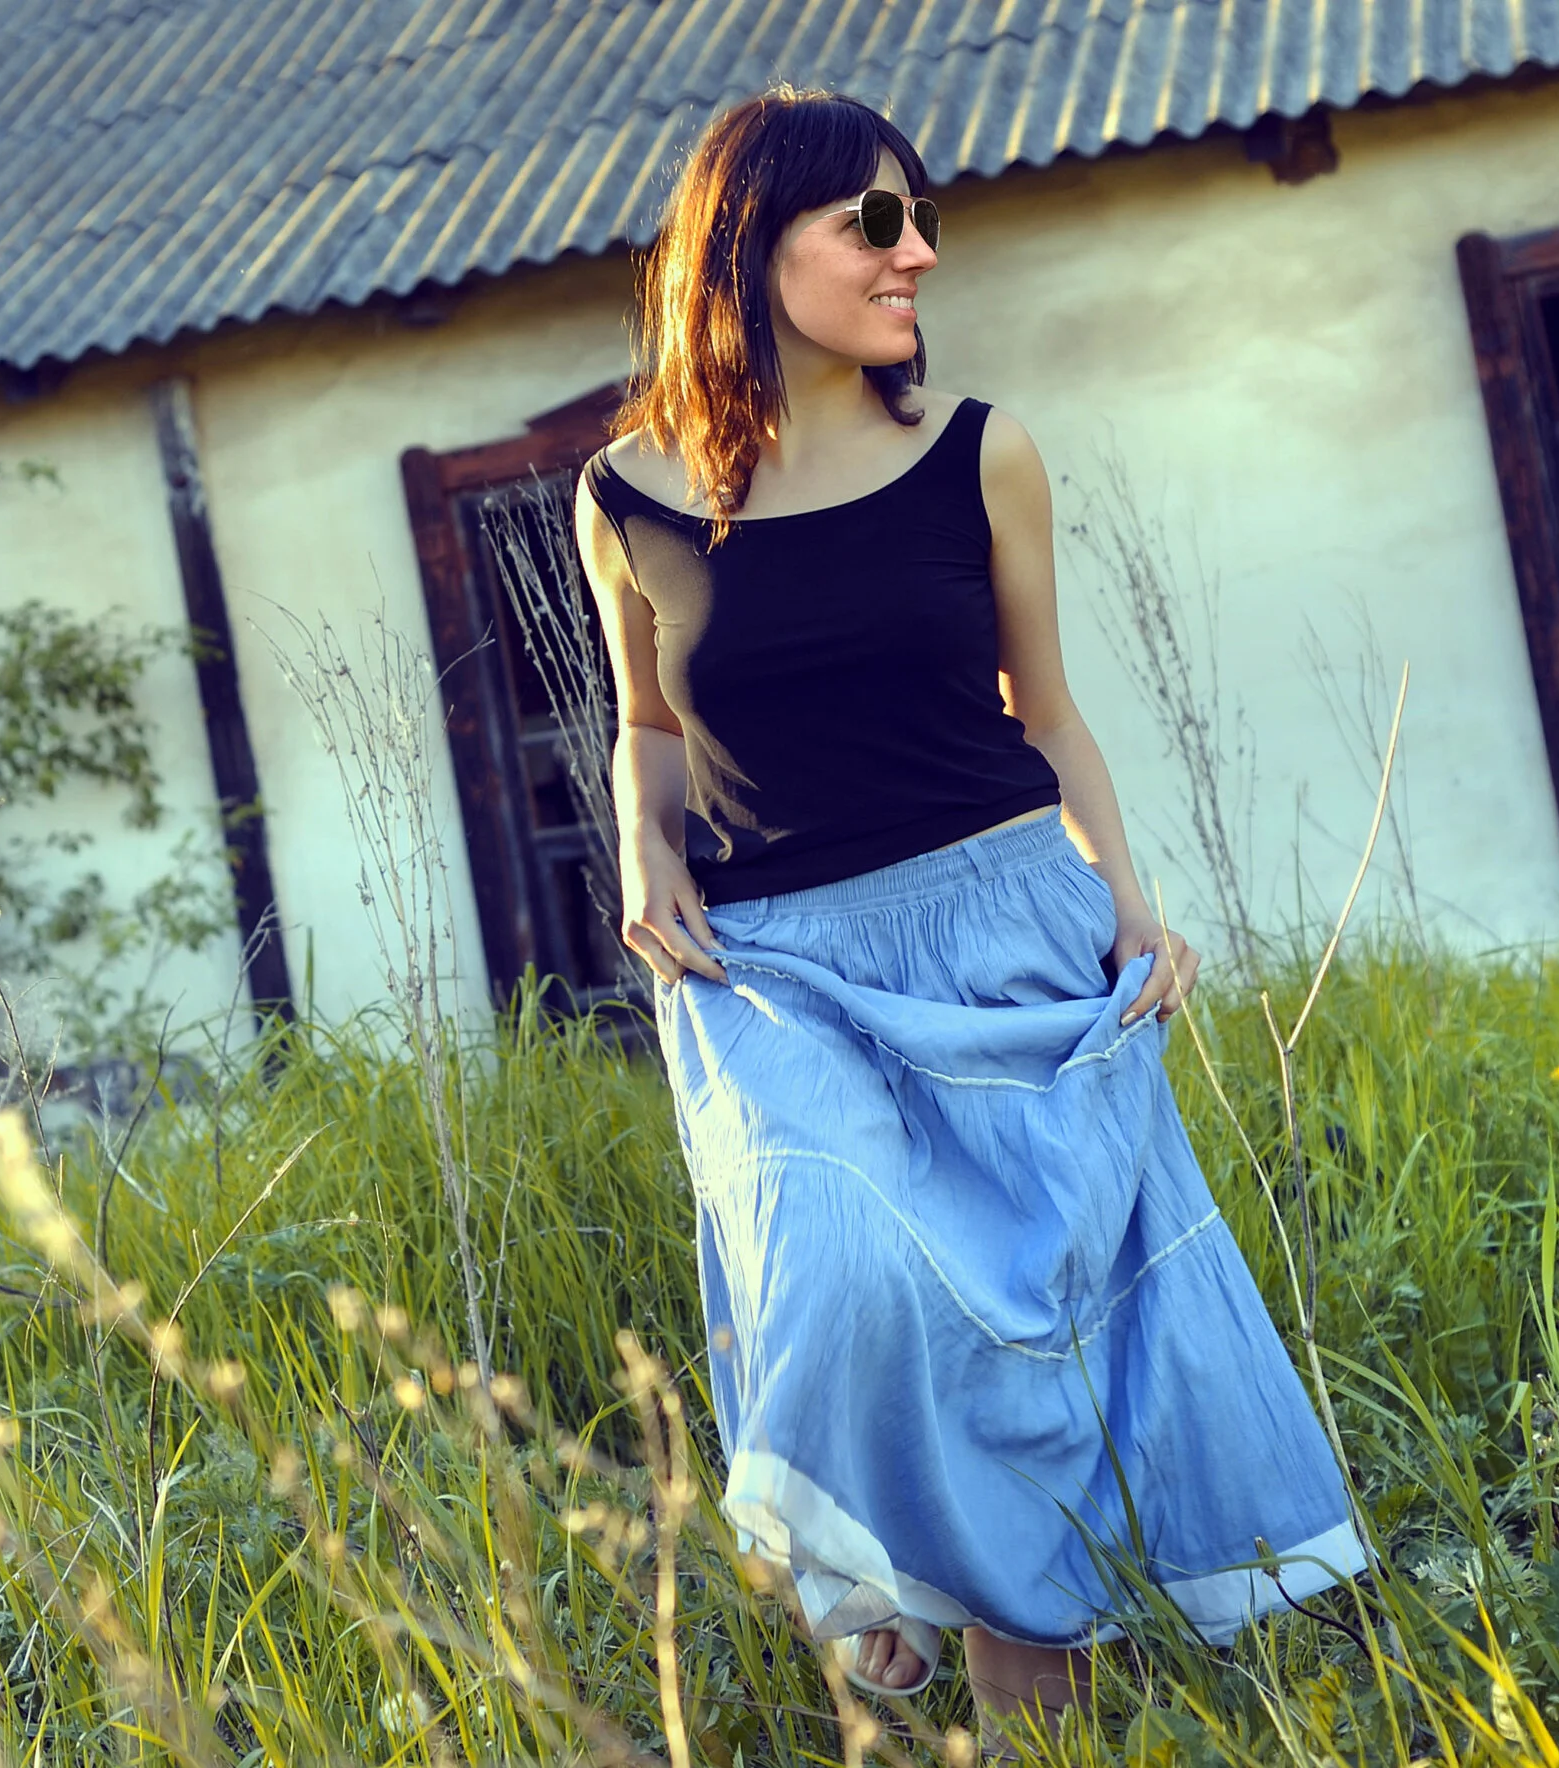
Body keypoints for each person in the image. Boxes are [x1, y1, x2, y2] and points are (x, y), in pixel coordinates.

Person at [573, 87, 1365, 1743]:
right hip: (769, 961)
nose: (914, 250)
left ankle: (1027, 1705)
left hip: (1002, 922)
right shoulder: (626, 493)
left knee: (1032, 1325)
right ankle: (871, 1575)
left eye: (917, 218)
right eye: (872, 222)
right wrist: (644, 853)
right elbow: (648, 722)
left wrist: (1135, 908)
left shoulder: (979, 453)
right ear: (748, 243)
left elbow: (1051, 709)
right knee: (849, 1278)